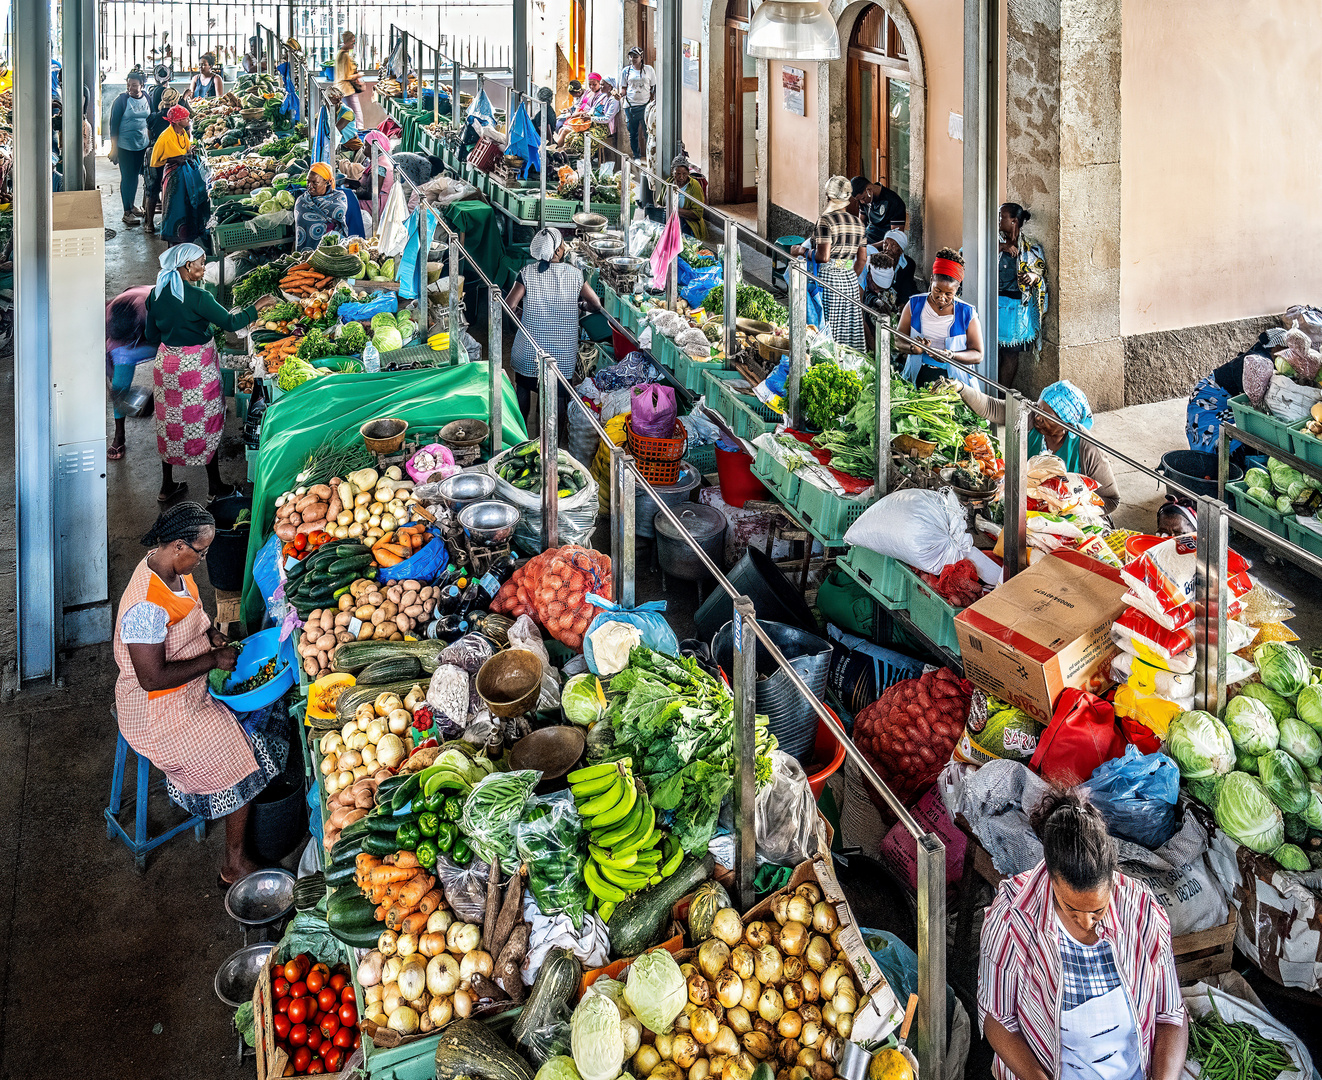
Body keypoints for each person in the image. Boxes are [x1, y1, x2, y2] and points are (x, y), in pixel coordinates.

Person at [114, 503, 290, 886]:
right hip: (156, 711)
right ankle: (234, 865)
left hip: (189, 688)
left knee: (269, 708)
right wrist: (212, 659)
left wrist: (211, 633)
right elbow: (152, 677)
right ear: (179, 545)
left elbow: (192, 611)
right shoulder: (145, 605)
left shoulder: (172, 568)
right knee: (236, 758)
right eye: (201, 551)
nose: (204, 559)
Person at [978, 787, 1187, 1080]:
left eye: (1097, 911)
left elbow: (1170, 1015)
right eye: (1071, 908)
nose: (1086, 922)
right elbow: (999, 1021)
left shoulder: (1141, 909)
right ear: (1050, 876)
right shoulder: (1013, 917)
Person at [144, 244, 276, 502]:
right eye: (201, 263)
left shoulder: (155, 294)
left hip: (167, 367)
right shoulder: (199, 298)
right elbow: (231, 323)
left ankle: (166, 486)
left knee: (170, 425)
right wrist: (257, 306)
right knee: (207, 422)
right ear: (186, 267)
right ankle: (215, 486)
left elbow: (151, 335)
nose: (204, 268)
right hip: (196, 368)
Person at [957, 378, 1121, 514]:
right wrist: (962, 388)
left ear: (1065, 424)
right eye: (1038, 408)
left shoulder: (1088, 449)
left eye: (1045, 416)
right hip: (1025, 507)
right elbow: (992, 407)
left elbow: (1111, 499)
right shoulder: (1031, 416)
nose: (1037, 417)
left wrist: (1076, 510)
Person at [507, 227, 605, 426]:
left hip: (529, 350)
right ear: (558, 251)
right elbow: (596, 304)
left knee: (524, 389)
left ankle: (520, 434)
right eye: (562, 245)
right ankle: (556, 445)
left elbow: (509, 305)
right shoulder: (575, 274)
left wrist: (521, 316)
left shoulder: (526, 273)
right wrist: (581, 306)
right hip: (561, 354)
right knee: (559, 396)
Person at [791, 175, 868, 350]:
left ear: (828, 196)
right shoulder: (858, 223)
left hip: (828, 279)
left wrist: (801, 251)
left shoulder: (825, 220)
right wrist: (847, 273)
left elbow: (823, 256)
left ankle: (826, 360)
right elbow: (861, 259)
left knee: (827, 326)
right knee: (848, 327)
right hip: (849, 281)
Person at [1185, 331, 1279, 464]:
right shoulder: (1259, 362)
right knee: (1218, 441)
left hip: (1224, 400)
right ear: (1275, 347)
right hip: (1208, 401)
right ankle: (1211, 467)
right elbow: (1256, 401)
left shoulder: (1264, 357)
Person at [896, 248, 984, 386]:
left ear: (958, 289)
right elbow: (898, 340)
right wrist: (914, 349)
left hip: (955, 382)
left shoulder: (967, 312)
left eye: (949, 294)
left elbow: (978, 354)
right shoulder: (914, 304)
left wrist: (951, 356)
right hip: (919, 375)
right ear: (931, 280)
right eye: (937, 290)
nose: (942, 297)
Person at [998, 202, 1048, 389]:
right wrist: (1002, 248)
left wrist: (1033, 276)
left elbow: (1041, 275)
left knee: (1010, 354)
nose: (998, 220)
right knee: (991, 352)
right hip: (993, 303)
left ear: (1014, 221)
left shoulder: (1030, 247)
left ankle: (1002, 396)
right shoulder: (992, 241)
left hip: (1015, 309)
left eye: (1002, 216)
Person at [106, 285, 156, 460]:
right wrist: (116, 392)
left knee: (182, 354)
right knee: (120, 382)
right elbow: (108, 353)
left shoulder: (155, 306)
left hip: (155, 327)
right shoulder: (110, 316)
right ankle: (119, 435)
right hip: (126, 334)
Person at [151, 104, 207, 245]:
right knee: (174, 206)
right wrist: (176, 159)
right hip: (173, 175)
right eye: (185, 118)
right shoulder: (165, 137)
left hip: (184, 172)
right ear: (176, 121)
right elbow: (156, 160)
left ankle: (187, 235)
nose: (188, 120)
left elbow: (186, 149)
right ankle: (173, 238)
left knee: (186, 205)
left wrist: (190, 150)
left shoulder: (183, 132)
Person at [108, 70, 153, 226]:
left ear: (142, 85)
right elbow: (113, 127)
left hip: (142, 144)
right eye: (128, 84)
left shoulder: (147, 98)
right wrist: (114, 149)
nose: (130, 88)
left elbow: (151, 119)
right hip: (125, 146)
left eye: (134, 85)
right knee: (128, 178)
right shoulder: (121, 101)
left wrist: (151, 141)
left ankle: (132, 206)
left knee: (138, 177)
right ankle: (126, 212)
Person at [294, 162, 349, 249]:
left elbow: (339, 213)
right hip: (307, 251)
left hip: (332, 250)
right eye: (308, 181)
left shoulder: (338, 198)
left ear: (327, 183)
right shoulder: (302, 201)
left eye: (315, 183)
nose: (310, 186)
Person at [621, 47, 655, 160]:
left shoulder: (649, 70)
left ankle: (649, 156)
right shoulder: (626, 71)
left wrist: (654, 103)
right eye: (631, 56)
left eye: (635, 56)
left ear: (641, 57)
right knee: (633, 133)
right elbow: (623, 88)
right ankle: (636, 156)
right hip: (630, 105)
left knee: (648, 132)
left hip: (645, 105)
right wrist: (619, 95)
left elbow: (653, 87)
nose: (633, 59)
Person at [669, 156, 707, 240]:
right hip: (670, 222)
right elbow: (660, 202)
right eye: (678, 174)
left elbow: (698, 214)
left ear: (688, 173)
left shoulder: (694, 186)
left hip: (688, 225)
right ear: (673, 172)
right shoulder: (669, 182)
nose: (681, 177)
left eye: (684, 174)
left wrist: (676, 210)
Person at [862, 177, 907, 245]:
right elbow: (861, 224)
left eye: (863, 198)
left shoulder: (894, 202)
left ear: (869, 190)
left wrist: (870, 248)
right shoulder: (864, 200)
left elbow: (895, 239)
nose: (862, 202)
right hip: (867, 240)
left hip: (882, 245)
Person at [334, 31, 365, 126]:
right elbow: (347, 76)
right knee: (357, 116)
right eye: (352, 41)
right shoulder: (345, 56)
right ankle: (359, 136)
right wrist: (359, 75)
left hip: (341, 89)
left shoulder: (340, 54)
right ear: (347, 42)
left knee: (347, 116)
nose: (353, 44)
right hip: (347, 90)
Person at [324, 86, 361, 151]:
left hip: (349, 145)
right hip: (337, 145)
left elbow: (335, 131)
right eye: (326, 100)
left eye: (330, 100)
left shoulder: (347, 112)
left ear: (338, 100)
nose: (327, 103)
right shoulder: (324, 110)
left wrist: (332, 112)